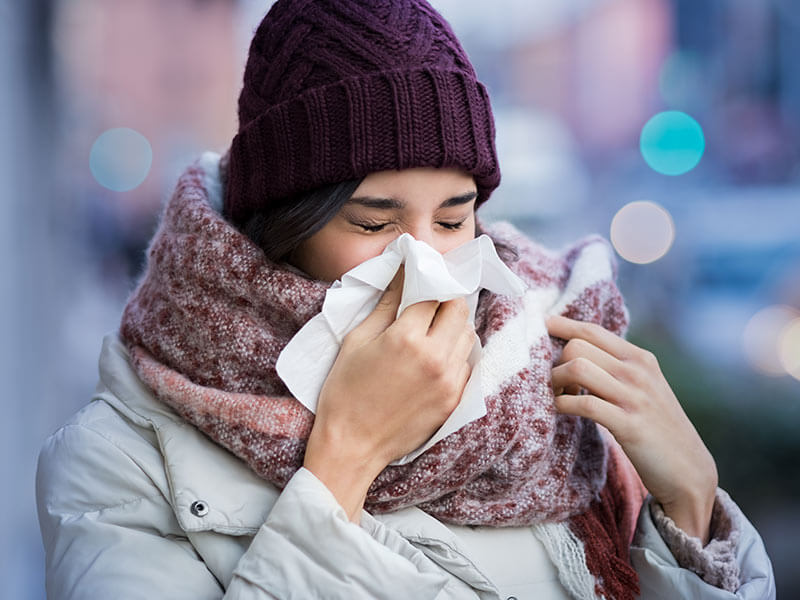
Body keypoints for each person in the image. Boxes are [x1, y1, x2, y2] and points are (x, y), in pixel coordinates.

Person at [36, 1, 775, 598]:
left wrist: (691, 514)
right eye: (374, 221)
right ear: (279, 223)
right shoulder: (118, 463)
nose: (426, 260)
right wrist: (343, 463)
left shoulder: (545, 378)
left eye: (454, 219)